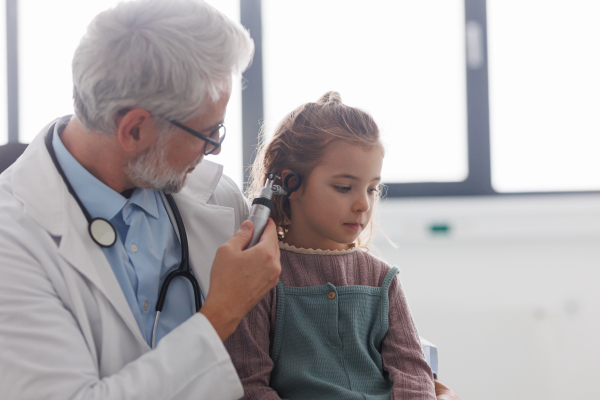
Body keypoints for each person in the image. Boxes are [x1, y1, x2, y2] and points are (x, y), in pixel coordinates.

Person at [0, 1, 281, 399]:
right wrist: (221, 313)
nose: (215, 149)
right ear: (134, 130)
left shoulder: (217, 200)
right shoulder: (11, 242)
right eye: (208, 132)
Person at [224, 92, 441, 399]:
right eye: (344, 187)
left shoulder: (382, 279)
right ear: (290, 183)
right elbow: (249, 384)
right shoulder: (261, 276)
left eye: (372, 189)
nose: (363, 204)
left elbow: (414, 375)